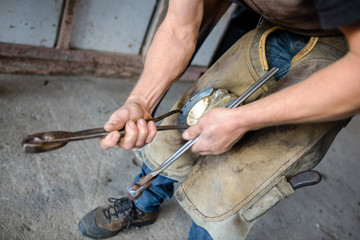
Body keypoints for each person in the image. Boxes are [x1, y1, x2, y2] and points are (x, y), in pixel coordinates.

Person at [78, 0, 360, 239]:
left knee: (232, 182)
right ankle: (143, 202)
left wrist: (243, 120)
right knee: (184, 122)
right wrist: (140, 100)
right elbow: (178, 29)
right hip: (273, 33)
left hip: (343, 55)